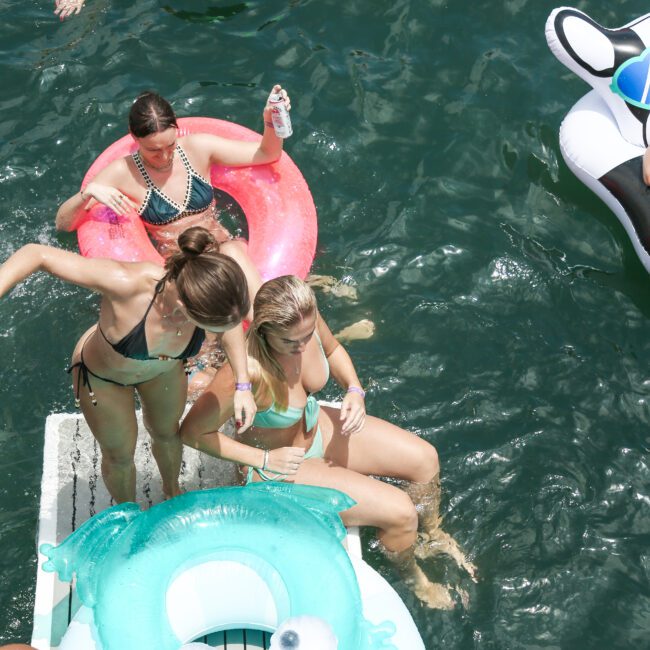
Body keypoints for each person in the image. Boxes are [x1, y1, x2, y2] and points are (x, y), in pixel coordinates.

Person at [180, 275, 476, 609]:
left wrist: (354, 389)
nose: (304, 346)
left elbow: (332, 348)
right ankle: (415, 580)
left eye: (307, 336)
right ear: (264, 331)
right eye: (291, 342)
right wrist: (263, 460)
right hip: (278, 469)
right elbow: (192, 433)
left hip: (316, 427)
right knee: (401, 514)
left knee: (426, 459)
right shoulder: (245, 371)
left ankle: (433, 535)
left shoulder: (304, 320)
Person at [0, 227, 255, 503]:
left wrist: (243, 384)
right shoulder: (128, 284)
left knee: (168, 436)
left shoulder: (214, 298)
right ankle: (128, 511)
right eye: (210, 325)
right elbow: (36, 254)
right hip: (104, 377)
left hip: (163, 370)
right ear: (183, 306)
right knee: (120, 456)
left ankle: (172, 493)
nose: (225, 330)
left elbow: (229, 325)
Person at [55, 86, 292, 317]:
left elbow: (267, 154)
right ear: (133, 135)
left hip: (222, 248)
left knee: (231, 250)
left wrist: (271, 120)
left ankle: (270, 325)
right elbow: (63, 225)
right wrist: (88, 193)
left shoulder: (198, 148)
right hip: (182, 267)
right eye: (154, 150)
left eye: (170, 145)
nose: (165, 157)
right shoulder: (122, 173)